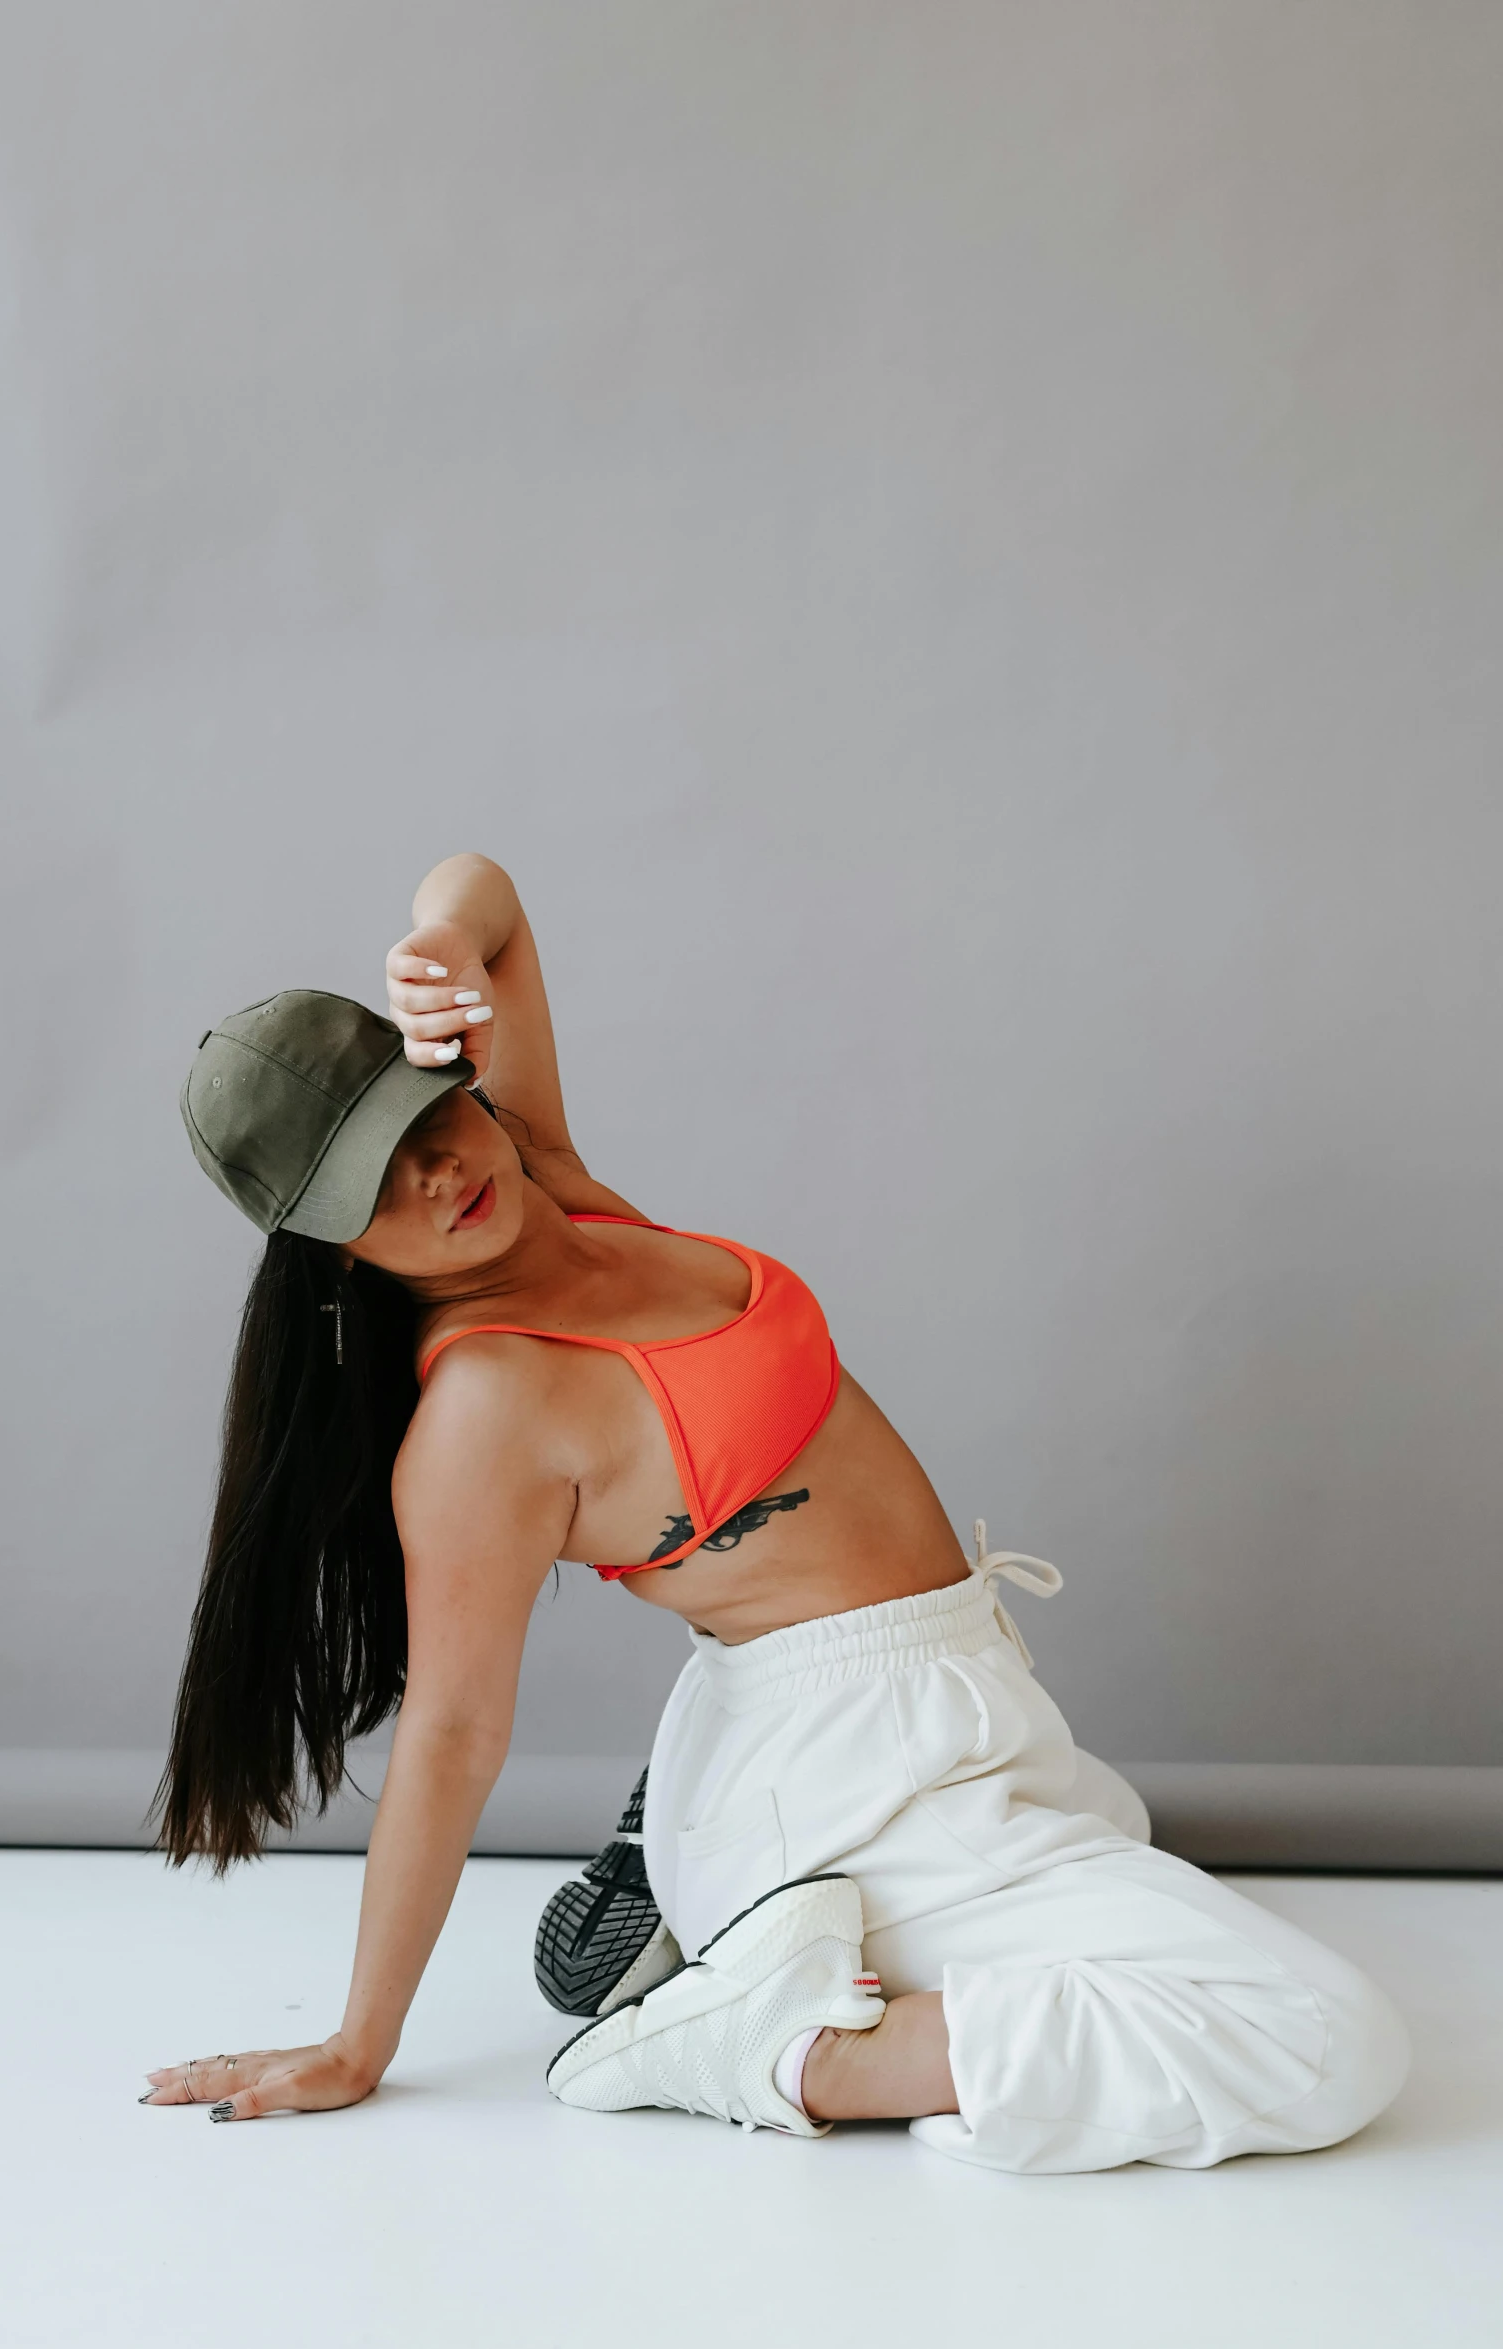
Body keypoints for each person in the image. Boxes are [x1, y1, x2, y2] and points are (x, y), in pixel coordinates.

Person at [142, 853, 1409, 2170]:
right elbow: (456, 1734)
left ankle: (709, 1881)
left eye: (421, 1120)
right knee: (1325, 2035)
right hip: (848, 1773)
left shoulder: (538, 1173)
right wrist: (361, 2042)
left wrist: (440, 939)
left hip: (943, 1705)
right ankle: (769, 2043)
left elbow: (492, 898)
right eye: (375, 1185)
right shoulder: (484, 1408)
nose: (434, 1175)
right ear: (336, 1250)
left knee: (1121, 1863)